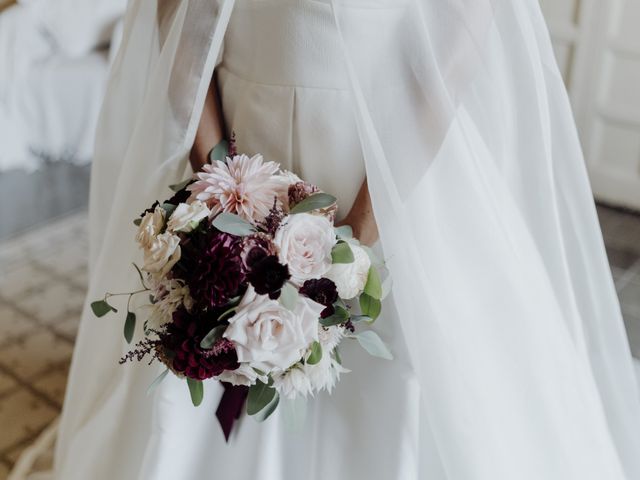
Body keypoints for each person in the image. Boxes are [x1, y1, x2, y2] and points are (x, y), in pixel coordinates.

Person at [12, 0, 640, 478]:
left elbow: (462, 37)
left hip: (394, 155)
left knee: (411, 364)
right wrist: (225, 191)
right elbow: (179, 21)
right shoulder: (224, 174)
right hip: (236, 143)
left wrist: (357, 237)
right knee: (208, 339)